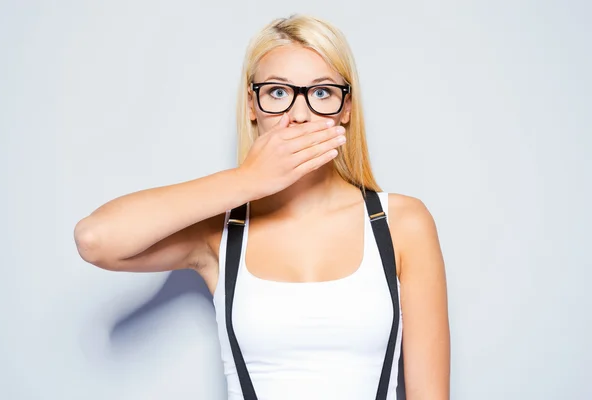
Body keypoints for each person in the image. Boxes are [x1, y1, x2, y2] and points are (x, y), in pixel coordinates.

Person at [74, 14, 450, 400]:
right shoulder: (221, 232)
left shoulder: (400, 223)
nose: (300, 114)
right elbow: (95, 238)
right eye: (277, 93)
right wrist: (248, 179)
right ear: (252, 105)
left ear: (346, 107)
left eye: (322, 92)